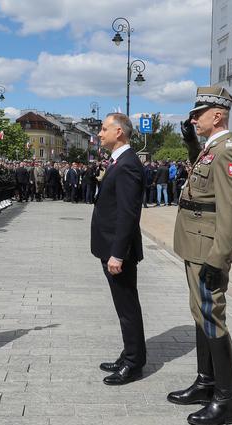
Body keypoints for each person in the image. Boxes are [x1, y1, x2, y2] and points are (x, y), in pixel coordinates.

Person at [168, 86, 232, 425]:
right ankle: (206, 382)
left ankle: (226, 399)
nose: (193, 119)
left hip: (207, 250)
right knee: (200, 313)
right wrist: (190, 145)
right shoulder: (211, 149)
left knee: (211, 315)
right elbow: (202, 184)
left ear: (217, 115)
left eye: (197, 114)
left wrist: (219, 258)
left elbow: (231, 212)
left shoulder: (227, 151)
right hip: (195, 245)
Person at [90, 113, 146, 386]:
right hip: (111, 245)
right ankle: (129, 354)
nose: (100, 134)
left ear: (119, 132)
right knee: (123, 306)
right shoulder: (118, 161)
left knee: (127, 307)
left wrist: (118, 254)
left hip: (117, 250)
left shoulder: (127, 164)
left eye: (104, 129)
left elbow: (128, 213)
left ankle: (134, 363)